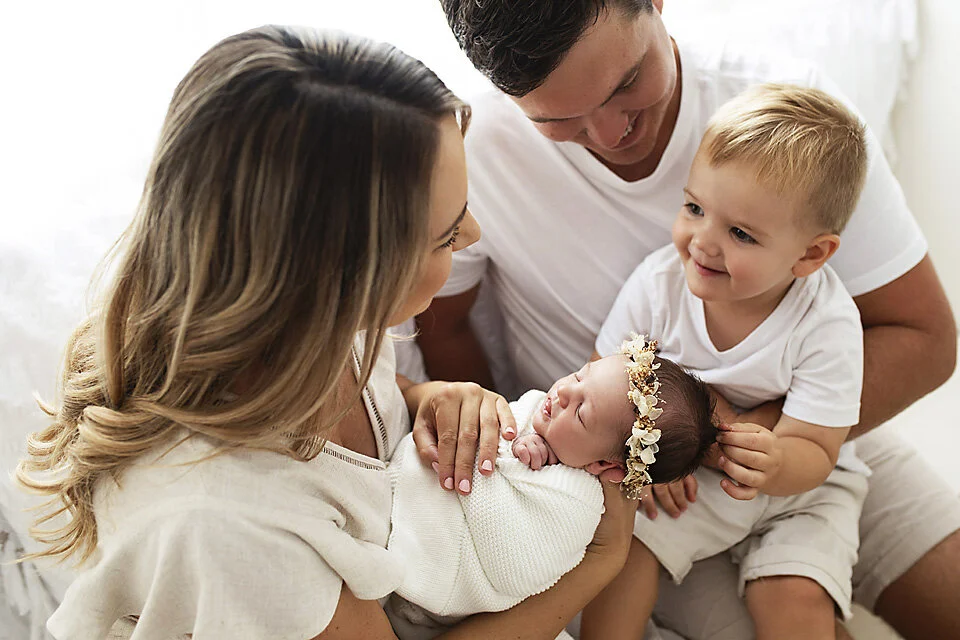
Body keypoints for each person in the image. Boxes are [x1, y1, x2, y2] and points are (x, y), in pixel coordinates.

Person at [15, 25, 639, 639]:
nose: (473, 233)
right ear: (339, 275)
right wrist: (602, 560)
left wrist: (432, 398)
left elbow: (373, 410)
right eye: (446, 234)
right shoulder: (231, 525)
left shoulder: (306, 334)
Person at [418, 1, 960, 638]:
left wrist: (729, 440)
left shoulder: (795, 122)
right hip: (638, 481)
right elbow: (442, 328)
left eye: (626, 83)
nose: (610, 132)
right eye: (558, 120)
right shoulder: (473, 153)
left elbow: (925, 338)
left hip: (816, 430)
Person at [588, 83, 870, 640]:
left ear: (811, 254)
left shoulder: (828, 322)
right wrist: (645, 454)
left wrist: (777, 463)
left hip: (803, 490)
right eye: (694, 208)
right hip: (693, 473)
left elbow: (817, 449)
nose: (702, 242)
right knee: (624, 551)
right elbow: (609, 376)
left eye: (740, 233)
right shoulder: (659, 285)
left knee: (795, 597)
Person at [387, 338, 716, 639]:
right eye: (579, 376)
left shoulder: (577, 505)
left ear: (606, 466)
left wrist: (511, 459)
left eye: (581, 412)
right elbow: (499, 422)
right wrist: (520, 443)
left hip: (437, 589)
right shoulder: (541, 412)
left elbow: (517, 569)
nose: (563, 393)